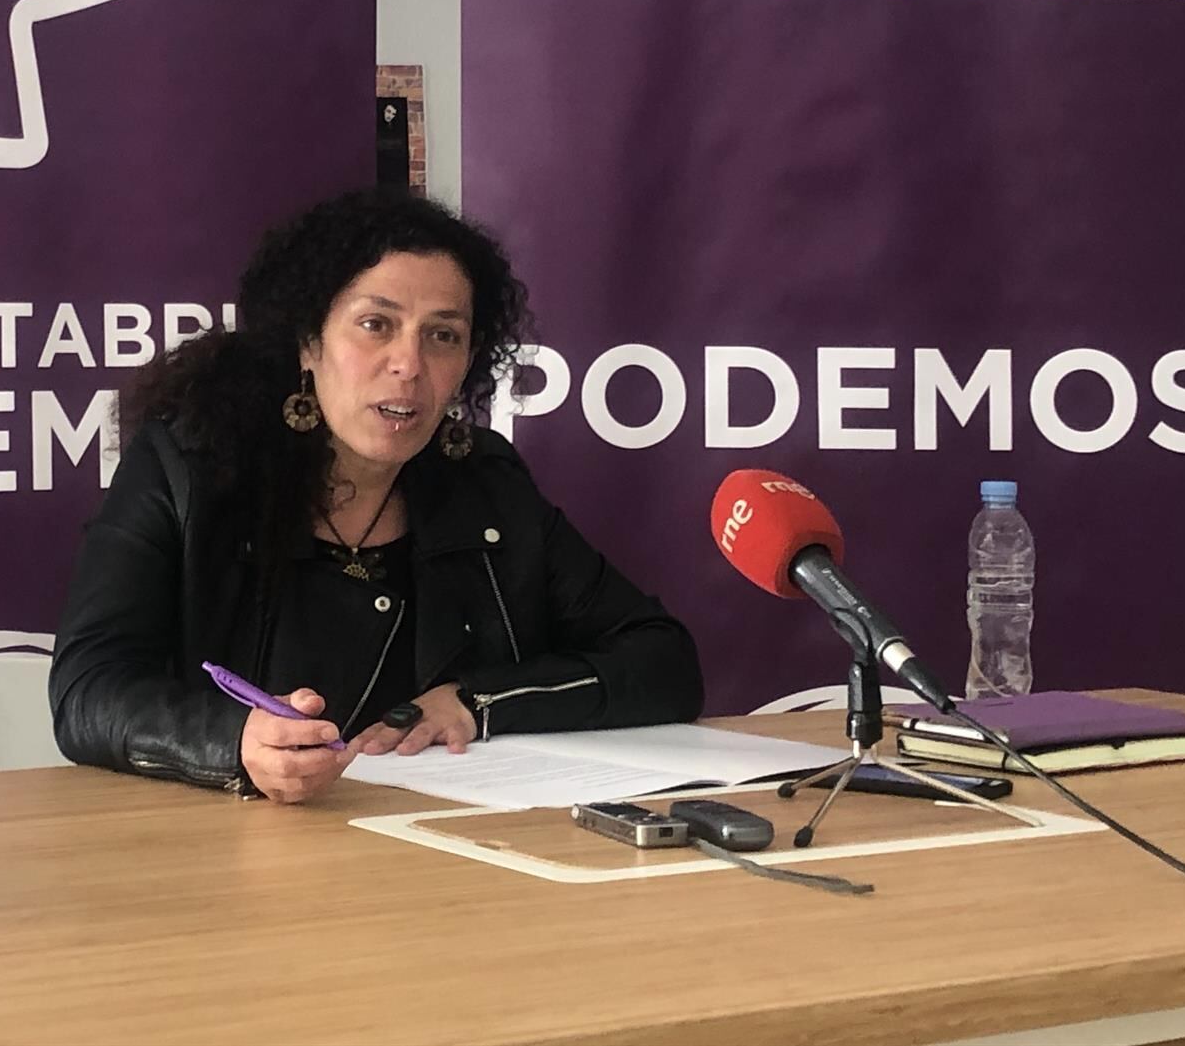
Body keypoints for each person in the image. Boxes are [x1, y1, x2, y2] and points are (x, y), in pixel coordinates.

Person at [48, 190, 702, 803]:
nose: (409, 364)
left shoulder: (488, 486)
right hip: (221, 854)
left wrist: (476, 701)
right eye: (375, 324)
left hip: (442, 851)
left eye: (442, 335)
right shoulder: (189, 467)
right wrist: (235, 742)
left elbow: (662, 661)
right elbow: (88, 691)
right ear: (309, 341)